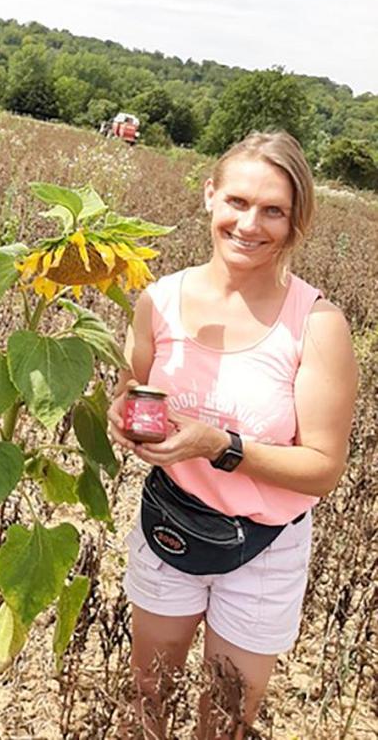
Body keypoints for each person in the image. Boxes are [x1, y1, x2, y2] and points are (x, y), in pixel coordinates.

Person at [108, 131, 357, 739]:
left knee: (225, 720)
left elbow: (323, 468)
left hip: (264, 548)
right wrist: (121, 419)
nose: (250, 224)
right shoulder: (160, 301)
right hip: (170, 523)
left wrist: (218, 445)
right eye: (238, 202)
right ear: (209, 196)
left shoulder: (316, 325)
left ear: (297, 220)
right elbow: (127, 389)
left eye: (273, 210)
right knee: (146, 697)